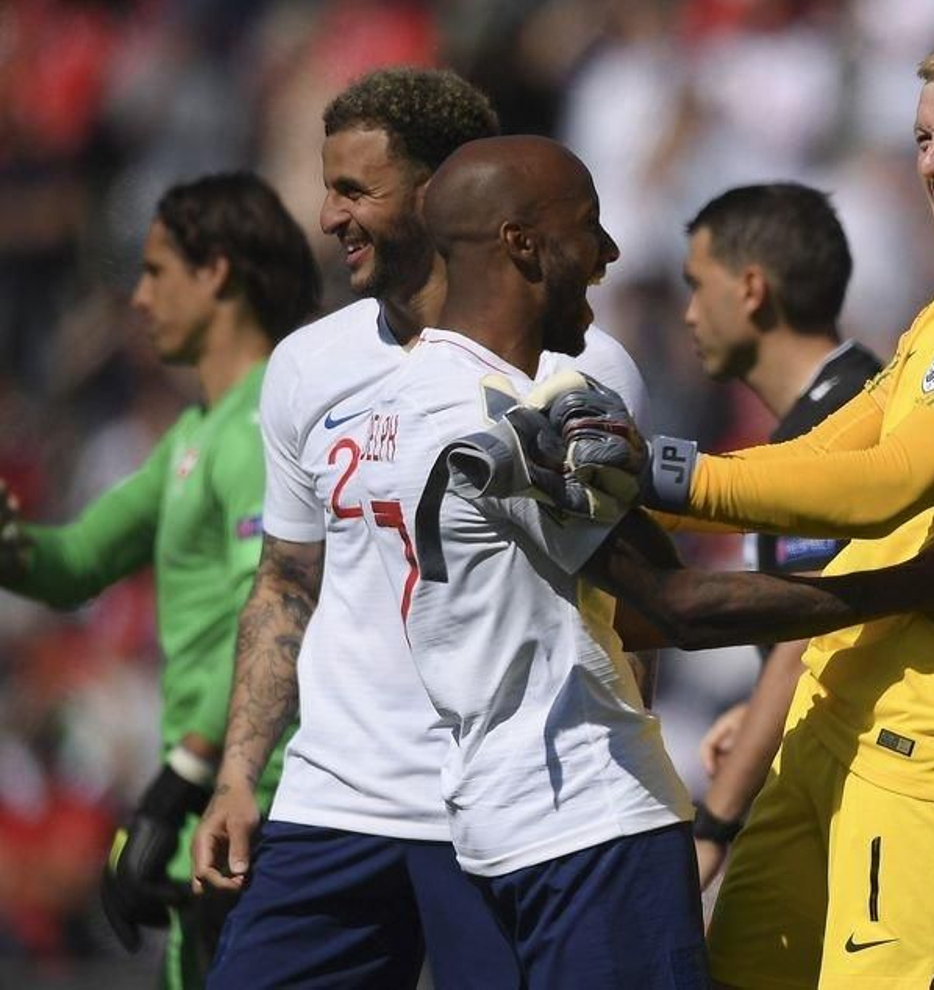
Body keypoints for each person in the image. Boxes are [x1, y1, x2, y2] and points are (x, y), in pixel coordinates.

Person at [350, 135, 934, 986]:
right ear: (521, 244)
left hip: (483, 820)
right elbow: (673, 605)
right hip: (584, 823)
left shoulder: (392, 402)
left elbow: (619, 610)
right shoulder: (507, 417)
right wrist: (913, 585)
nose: (608, 253)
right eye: (587, 226)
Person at [549, 28, 934, 990]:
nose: (933, 164)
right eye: (922, 139)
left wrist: (656, 475)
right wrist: (628, 488)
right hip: (831, 713)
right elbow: (823, 455)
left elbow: (888, 484)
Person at [186, 67, 629, 988]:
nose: (328, 217)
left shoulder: (576, 369)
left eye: (355, 191)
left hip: (504, 811)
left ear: (435, 196)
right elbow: (287, 580)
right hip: (334, 802)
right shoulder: (307, 365)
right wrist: (238, 776)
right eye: (329, 189)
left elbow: (624, 598)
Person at [0, 173, 320, 987]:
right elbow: (76, 563)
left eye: (154, 272)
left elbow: (276, 603)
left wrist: (183, 774)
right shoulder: (194, 434)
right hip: (211, 808)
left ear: (216, 273)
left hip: (259, 807)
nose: (138, 299)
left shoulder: (260, 425)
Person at [678, 183, 883, 889]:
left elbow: (804, 638)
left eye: (697, 285)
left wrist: (714, 826)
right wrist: (761, 713)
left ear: (752, 289)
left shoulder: (842, 423)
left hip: (870, 790)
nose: (689, 312)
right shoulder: (834, 410)